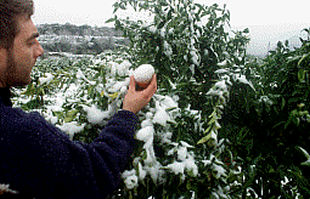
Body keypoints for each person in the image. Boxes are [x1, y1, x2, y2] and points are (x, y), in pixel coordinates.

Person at [0, 0, 157, 198]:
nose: (40, 51)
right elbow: (95, 174)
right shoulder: (18, 133)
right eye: (30, 42)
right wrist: (128, 112)